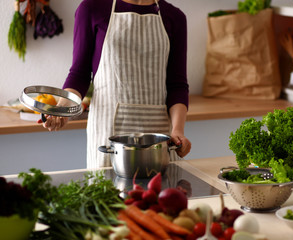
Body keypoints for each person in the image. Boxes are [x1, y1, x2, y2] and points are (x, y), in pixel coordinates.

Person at [39, 0, 191, 168]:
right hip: (108, 135)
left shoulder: (175, 17)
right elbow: (79, 75)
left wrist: (178, 131)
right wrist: (63, 110)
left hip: (160, 139)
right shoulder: (91, 8)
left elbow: (177, 86)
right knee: (107, 192)